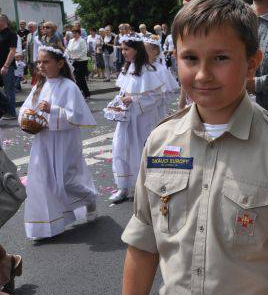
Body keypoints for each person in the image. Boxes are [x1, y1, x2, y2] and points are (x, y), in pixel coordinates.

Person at [119, 0, 268, 295]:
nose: (203, 74)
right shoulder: (160, 141)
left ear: (252, 62)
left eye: (220, 58)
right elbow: (143, 243)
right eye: (190, 58)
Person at [18, 45, 97, 240]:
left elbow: (76, 116)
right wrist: (27, 116)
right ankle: (46, 226)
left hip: (64, 141)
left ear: (60, 63)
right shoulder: (39, 86)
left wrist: (52, 110)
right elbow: (26, 108)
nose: (41, 66)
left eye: (46, 62)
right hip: (43, 140)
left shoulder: (69, 87)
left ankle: (89, 197)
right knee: (42, 180)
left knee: (65, 181)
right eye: (39, 62)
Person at [108, 35, 164, 204]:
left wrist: (133, 100)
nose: (123, 52)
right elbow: (124, 91)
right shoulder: (127, 68)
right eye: (122, 49)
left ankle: (145, 187)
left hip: (142, 120)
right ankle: (123, 186)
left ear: (137, 50)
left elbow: (155, 96)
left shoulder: (148, 70)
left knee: (141, 150)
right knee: (122, 148)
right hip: (127, 119)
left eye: (127, 49)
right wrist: (119, 101)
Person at [143, 36, 178, 117]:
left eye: (144, 50)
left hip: (155, 108)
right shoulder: (141, 67)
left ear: (155, 52)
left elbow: (165, 92)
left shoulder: (160, 70)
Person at [0, 14, 18, 120]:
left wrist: (6, 66)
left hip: (7, 66)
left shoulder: (11, 34)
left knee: (9, 90)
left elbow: (12, 51)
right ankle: (4, 110)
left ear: (3, 21)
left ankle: (11, 113)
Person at [66, 27, 91, 98]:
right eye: (73, 33)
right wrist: (66, 56)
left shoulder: (82, 41)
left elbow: (84, 51)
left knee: (80, 78)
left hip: (82, 61)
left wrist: (77, 57)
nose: (74, 34)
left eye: (75, 33)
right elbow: (68, 50)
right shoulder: (71, 41)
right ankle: (85, 94)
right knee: (77, 78)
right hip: (73, 61)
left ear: (79, 34)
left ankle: (83, 94)